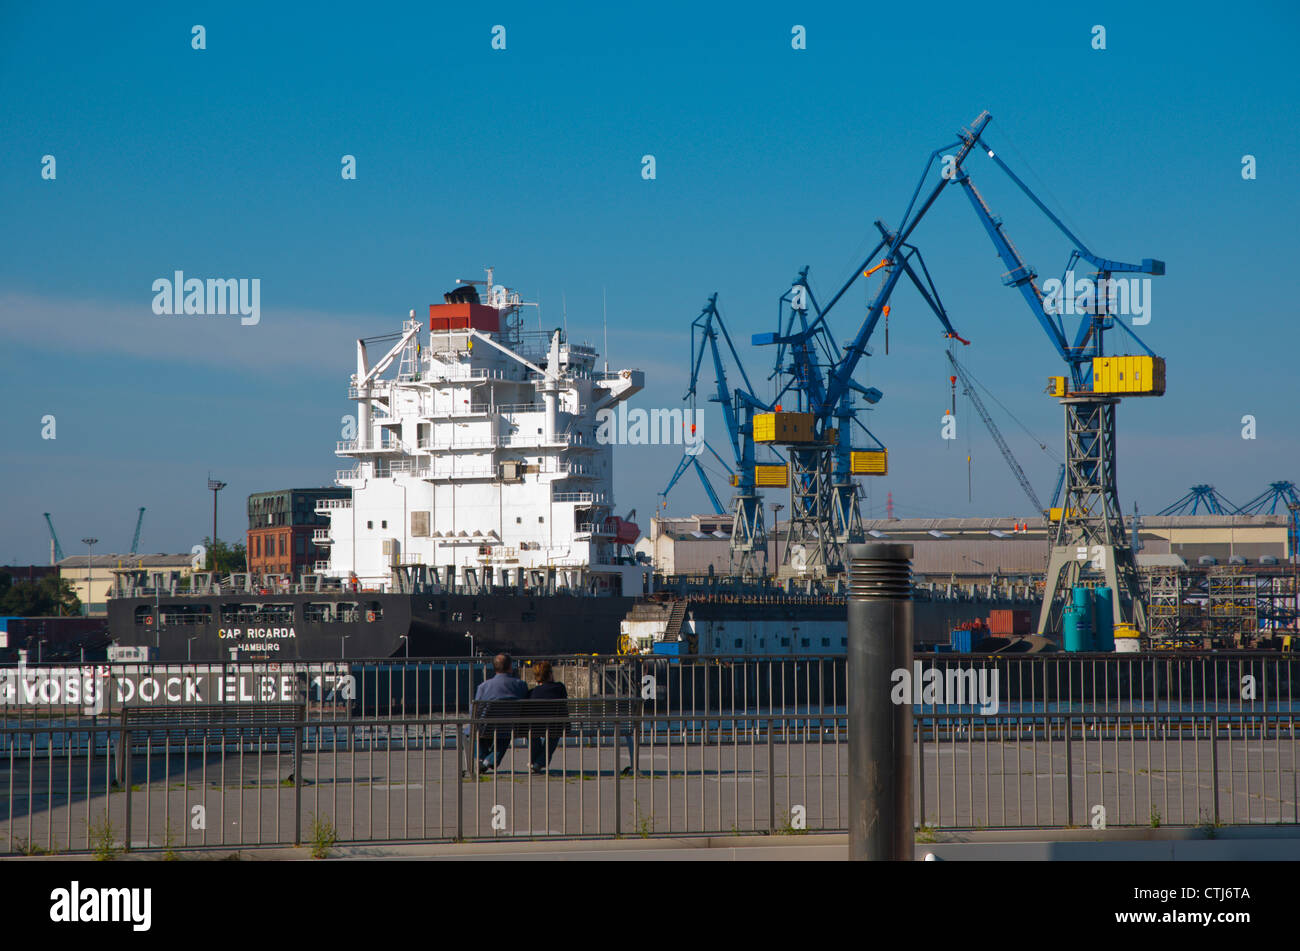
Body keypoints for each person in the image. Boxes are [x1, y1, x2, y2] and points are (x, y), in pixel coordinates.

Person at [472, 653, 528, 772]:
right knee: (505, 733)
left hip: (486, 727)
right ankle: (490, 760)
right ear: (510, 667)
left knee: (476, 730)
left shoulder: (484, 686)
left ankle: (482, 758)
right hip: (510, 727)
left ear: (495, 667)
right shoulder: (521, 685)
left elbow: (475, 711)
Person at [526, 661, 569, 774]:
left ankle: (536, 761)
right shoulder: (560, 688)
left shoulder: (531, 693)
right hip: (555, 726)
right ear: (550, 674)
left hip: (534, 727)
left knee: (531, 733)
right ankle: (539, 762)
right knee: (554, 732)